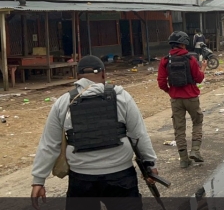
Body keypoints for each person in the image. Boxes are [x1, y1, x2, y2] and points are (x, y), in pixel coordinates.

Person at [31, 55, 158, 210]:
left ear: (78, 76)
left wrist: (39, 180)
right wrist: (150, 164)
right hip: (120, 177)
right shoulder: (121, 97)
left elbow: (49, 144)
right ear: (104, 74)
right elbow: (138, 135)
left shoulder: (63, 103)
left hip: (82, 180)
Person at [158, 31, 207, 168]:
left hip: (175, 99)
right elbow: (199, 78)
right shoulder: (190, 59)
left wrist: (170, 91)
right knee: (197, 122)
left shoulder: (165, 60)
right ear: (184, 44)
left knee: (179, 128)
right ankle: (195, 150)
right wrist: (202, 68)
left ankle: (184, 159)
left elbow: (161, 82)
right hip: (191, 97)